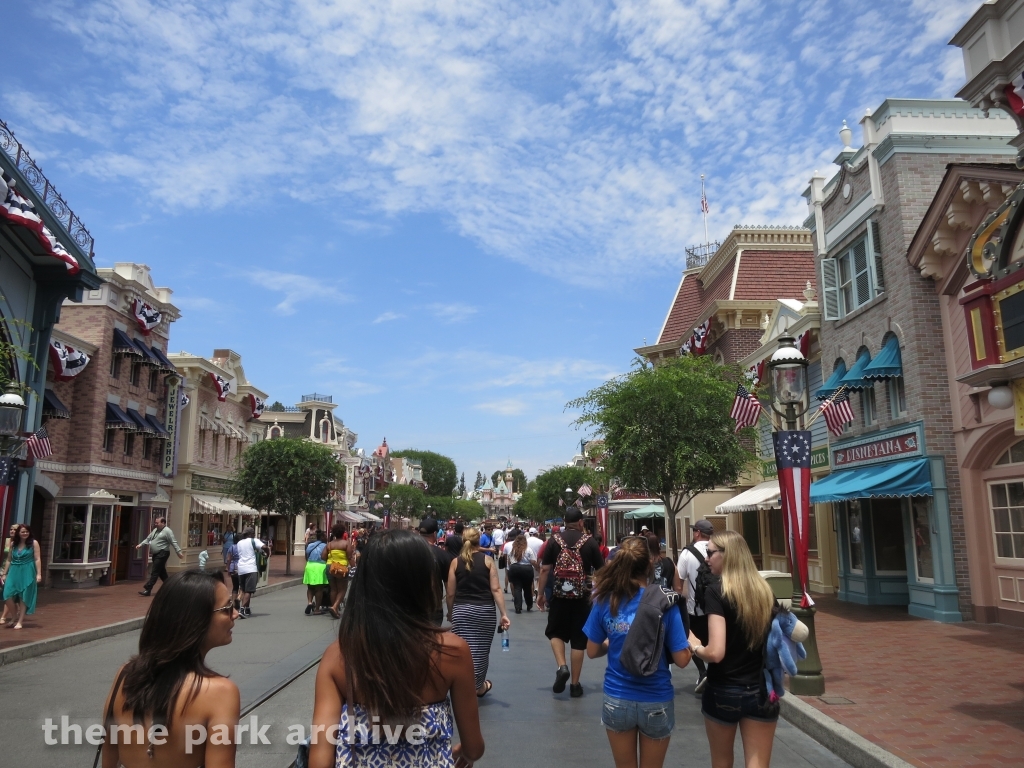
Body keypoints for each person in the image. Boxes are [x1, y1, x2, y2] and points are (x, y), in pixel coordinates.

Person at [309, 530, 485, 768]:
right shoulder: (453, 651)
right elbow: (473, 748)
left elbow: (320, 758)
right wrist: (462, 751)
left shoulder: (339, 656)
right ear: (423, 583)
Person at [99, 570, 240, 767]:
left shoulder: (125, 675)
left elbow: (108, 758)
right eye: (227, 608)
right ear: (196, 620)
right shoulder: (220, 692)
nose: (236, 613)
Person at [585, 537, 692, 768]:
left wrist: (613, 643)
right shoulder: (664, 603)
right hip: (656, 698)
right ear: (649, 566)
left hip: (618, 697)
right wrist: (691, 644)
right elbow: (682, 660)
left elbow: (592, 651)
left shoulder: (605, 599)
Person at [689, 530, 779, 768]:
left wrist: (696, 647)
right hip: (760, 689)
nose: (707, 559)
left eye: (711, 553)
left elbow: (716, 652)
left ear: (728, 555)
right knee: (758, 763)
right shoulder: (764, 591)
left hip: (724, 688)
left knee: (721, 761)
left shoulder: (716, 591)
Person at [537, 507, 604, 697]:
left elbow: (544, 570)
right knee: (578, 640)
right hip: (582, 597)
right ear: (581, 522)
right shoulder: (589, 542)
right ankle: (575, 685)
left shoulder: (554, 541)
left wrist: (540, 594)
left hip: (558, 596)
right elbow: (601, 571)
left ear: (564, 522)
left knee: (555, 632)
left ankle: (562, 666)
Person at [446, 528, 510, 697]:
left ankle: (460, 683)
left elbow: (450, 592)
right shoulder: (487, 561)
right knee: (481, 650)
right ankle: (477, 686)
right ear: (478, 540)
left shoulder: (455, 562)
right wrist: (503, 613)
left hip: (461, 610)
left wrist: (451, 612)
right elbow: (496, 589)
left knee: (461, 650)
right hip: (484, 611)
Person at [674, 519, 714, 692]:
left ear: (697, 533)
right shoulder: (719, 550)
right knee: (715, 640)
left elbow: (678, 585)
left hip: (694, 608)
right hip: (716, 608)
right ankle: (713, 672)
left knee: (693, 641)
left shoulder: (687, 553)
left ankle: (702, 671)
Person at [1, 524, 41, 629]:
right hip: (14, 570)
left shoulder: (33, 543)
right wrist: (4, 573)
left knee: (24, 596)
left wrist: (39, 574)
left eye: (27, 531)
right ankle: (14, 616)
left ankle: (20, 621)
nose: (25, 533)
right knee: (7, 594)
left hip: (27, 571)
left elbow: (37, 559)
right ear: (19, 533)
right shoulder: (14, 544)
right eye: (23, 531)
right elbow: (9, 559)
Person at [418, 517, 453, 626]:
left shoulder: (406, 551)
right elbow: (449, 590)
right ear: (435, 534)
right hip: (434, 606)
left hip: (411, 605)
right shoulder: (442, 555)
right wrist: (450, 611)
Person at [136, 516, 183, 596]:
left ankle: (148, 589)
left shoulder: (168, 531)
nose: (156, 524)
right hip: (156, 554)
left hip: (163, 553)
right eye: (155, 523)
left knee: (155, 571)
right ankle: (171, 587)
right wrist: (140, 545)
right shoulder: (155, 530)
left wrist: (178, 552)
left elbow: (173, 542)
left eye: (157, 523)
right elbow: (148, 539)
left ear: (163, 523)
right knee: (162, 572)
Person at [235, 526, 266, 618]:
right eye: (253, 533)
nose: (254, 535)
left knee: (243, 589)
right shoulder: (254, 540)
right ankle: (242, 609)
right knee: (249, 590)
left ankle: (246, 608)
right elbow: (265, 547)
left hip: (241, 569)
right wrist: (268, 553)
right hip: (250, 568)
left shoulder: (239, 543)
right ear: (250, 534)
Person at [325, 524, 355, 618]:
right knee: (342, 589)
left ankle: (335, 609)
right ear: (343, 533)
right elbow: (350, 557)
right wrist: (355, 567)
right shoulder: (346, 543)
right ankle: (334, 607)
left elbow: (323, 557)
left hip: (330, 567)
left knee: (333, 589)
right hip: (341, 568)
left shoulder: (329, 544)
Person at [506, 534, 538, 614]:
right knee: (527, 588)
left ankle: (518, 607)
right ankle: (529, 604)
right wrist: (538, 568)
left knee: (517, 588)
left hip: (515, 568)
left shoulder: (513, 550)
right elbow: (533, 561)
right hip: (527, 569)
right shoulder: (528, 549)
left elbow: (509, 562)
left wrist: (510, 570)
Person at [304, 530, 329, 615]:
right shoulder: (326, 546)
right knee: (319, 589)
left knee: (310, 587)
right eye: (325, 536)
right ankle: (317, 609)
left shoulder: (310, 545)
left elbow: (306, 557)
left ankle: (310, 602)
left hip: (310, 565)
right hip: (320, 566)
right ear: (322, 537)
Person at [0, 523, 19, 625]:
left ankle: (4, 616)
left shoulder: (19, 543)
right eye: (11, 529)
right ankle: (14, 612)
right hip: (2, 569)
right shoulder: (5, 541)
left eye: (14, 530)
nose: (12, 531)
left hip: (13, 570)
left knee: (7, 593)